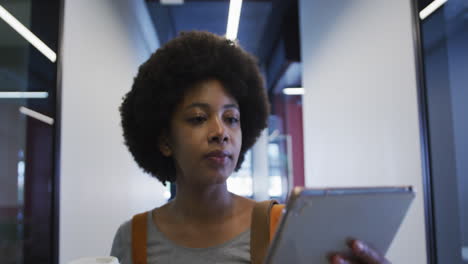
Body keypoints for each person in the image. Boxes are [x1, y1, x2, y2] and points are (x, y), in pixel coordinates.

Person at [111, 31, 389, 264]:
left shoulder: (280, 226)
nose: (221, 132)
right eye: (198, 118)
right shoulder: (132, 239)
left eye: (231, 119)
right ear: (165, 141)